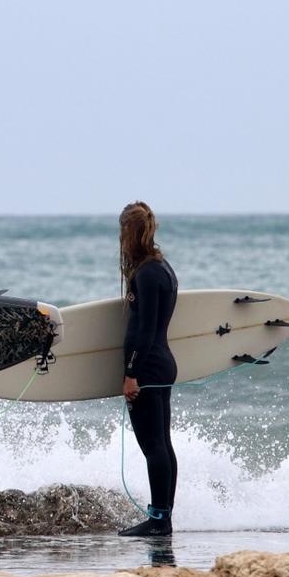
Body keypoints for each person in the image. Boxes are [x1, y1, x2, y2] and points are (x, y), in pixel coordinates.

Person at [118, 201, 179, 537]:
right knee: (162, 444)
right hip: (160, 364)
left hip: (148, 369)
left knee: (154, 446)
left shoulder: (147, 273)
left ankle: (159, 521)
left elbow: (143, 330)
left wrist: (131, 373)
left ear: (130, 232)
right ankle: (163, 518)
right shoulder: (162, 268)